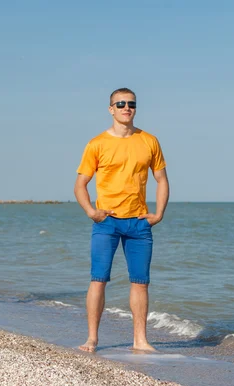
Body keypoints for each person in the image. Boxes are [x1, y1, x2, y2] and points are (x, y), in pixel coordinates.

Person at [74, 88, 170, 353]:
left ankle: (140, 340)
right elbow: (80, 184)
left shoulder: (149, 141)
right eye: (120, 104)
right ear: (111, 109)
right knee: (98, 279)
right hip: (107, 221)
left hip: (139, 223)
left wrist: (159, 213)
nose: (126, 107)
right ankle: (92, 338)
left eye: (131, 104)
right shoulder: (97, 144)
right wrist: (91, 212)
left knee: (140, 282)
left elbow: (161, 179)